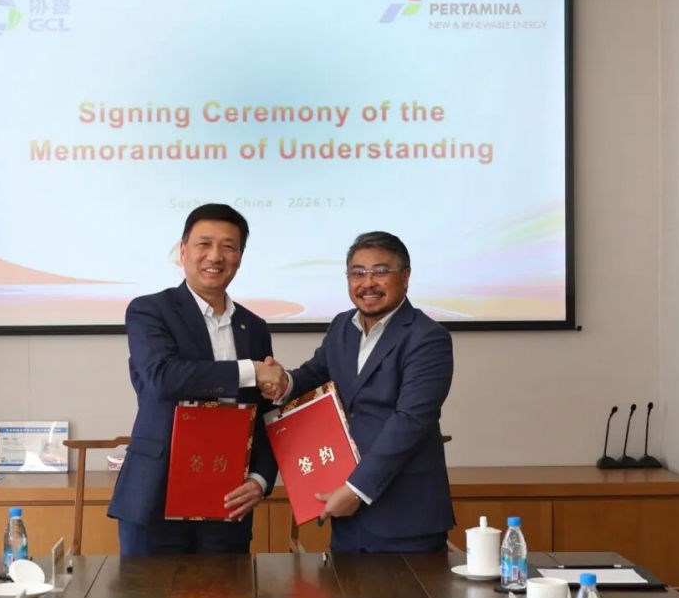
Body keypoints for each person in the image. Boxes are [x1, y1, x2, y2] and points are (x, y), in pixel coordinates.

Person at [108, 203, 285, 555]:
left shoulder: (254, 327)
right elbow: (164, 377)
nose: (215, 256)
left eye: (228, 246)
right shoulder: (149, 310)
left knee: (227, 584)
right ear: (183, 250)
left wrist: (260, 478)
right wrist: (251, 370)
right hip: (156, 495)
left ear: (240, 257)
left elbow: (264, 413)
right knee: (148, 585)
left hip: (229, 496)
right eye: (204, 244)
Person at [265, 231, 455, 553]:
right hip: (347, 515)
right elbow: (315, 374)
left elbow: (410, 421)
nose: (368, 283)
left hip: (404, 516)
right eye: (357, 273)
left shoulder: (427, 337)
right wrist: (283, 382)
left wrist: (356, 489)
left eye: (380, 272)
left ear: (405, 277)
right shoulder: (342, 326)